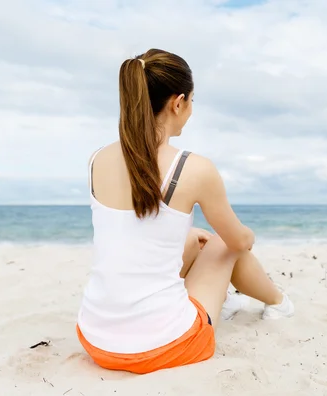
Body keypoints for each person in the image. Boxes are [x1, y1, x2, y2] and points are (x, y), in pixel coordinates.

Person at [76, 48, 294, 374]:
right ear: (178, 103)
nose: (190, 110)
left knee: (194, 238)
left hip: (95, 340)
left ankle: (228, 298)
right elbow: (236, 242)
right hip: (165, 346)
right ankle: (278, 303)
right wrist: (248, 236)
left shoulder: (97, 159)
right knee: (222, 241)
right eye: (191, 101)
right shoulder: (192, 168)